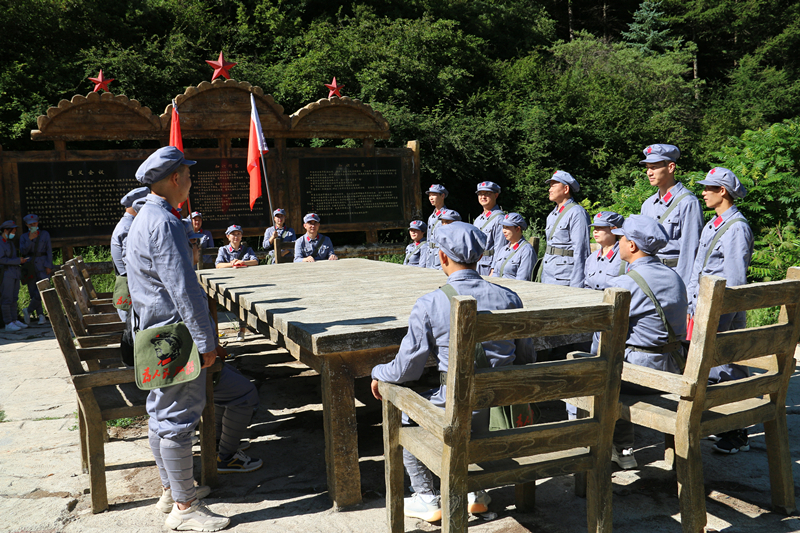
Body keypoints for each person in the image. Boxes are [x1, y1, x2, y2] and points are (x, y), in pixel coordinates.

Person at [126, 146, 261, 531]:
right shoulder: (164, 222)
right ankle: (185, 508)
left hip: (156, 332)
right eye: (187, 173)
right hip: (175, 334)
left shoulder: (149, 216)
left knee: (160, 414)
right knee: (178, 418)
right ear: (173, 179)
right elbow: (183, 287)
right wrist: (205, 342)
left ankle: (172, 491)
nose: (191, 180)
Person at [370, 221, 536, 521]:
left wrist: (378, 372)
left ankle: (426, 497)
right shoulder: (510, 298)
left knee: (406, 410)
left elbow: (407, 370)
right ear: (479, 257)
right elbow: (526, 357)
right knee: (470, 412)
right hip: (503, 408)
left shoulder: (431, 303)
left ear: (443, 257)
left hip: (459, 409)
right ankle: (475, 491)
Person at [606, 215, 688, 469]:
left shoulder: (626, 284)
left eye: (620, 238)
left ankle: (610, 448)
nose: (617, 242)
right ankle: (624, 448)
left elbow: (604, 336)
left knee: (594, 368)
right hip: (675, 369)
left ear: (632, 246)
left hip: (643, 376)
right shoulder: (674, 276)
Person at [686, 167, 754, 455]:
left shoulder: (737, 227)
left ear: (722, 191)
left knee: (729, 367)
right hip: (703, 305)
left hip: (722, 309)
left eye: (708, 188)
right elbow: (698, 267)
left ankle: (738, 430)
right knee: (715, 367)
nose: (703, 193)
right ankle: (723, 423)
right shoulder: (713, 224)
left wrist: (720, 316)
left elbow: (735, 281)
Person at [639, 144, 704, 289]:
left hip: (674, 276)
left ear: (671, 167)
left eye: (654, 167)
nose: (649, 172)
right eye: (647, 168)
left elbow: (691, 250)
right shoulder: (647, 205)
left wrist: (684, 290)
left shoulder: (688, 202)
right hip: (650, 276)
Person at [541, 171, 590, 287]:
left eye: (554, 185)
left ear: (566, 189)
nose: (550, 189)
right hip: (548, 276)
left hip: (565, 278)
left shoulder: (577, 213)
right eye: (550, 186)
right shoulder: (552, 215)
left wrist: (577, 285)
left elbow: (581, 251)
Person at [111, 187, 149, 322]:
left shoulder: (126, 224)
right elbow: (131, 261)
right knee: (134, 327)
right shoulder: (129, 227)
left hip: (129, 284)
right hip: (130, 285)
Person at [216, 225, 258, 342]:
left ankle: (242, 329)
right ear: (228, 236)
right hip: (228, 283)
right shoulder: (223, 250)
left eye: (238, 234)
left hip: (245, 283)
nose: (236, 236)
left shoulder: (247, 250)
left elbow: (255, 261)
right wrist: (232, 264)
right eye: (233, 234)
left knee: (242, 306)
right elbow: (218, 265)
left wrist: (243, 262)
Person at [19, 214, 53, 325]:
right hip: (30, 266)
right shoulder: (24, 237)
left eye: (35, 223)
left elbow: (49, 250)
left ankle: (28, 310)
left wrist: (49, 265)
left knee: (42, 290)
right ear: (27, 225)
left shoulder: (44, 234)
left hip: (43, 265)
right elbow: (23, 251)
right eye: (31, 224)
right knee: (33, 291)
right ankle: (41, 315)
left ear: (37, 223)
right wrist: (29, 239)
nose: (33, 225)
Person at [584, 211, 626, 291]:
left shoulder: (624, 256)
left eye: (600, 228)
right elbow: (587, 286)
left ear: (614, 230)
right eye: (594, 228)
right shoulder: (591, 258)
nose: (595, 231)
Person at [1, 220, 29, 332]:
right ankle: (8, 322)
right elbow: (1, 259)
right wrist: (18, 260)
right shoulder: (0, 242)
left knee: (14, 298)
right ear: (5, 230)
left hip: (14, 273)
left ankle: (14, 320)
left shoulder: (10, 243)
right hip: (6, 273)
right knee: (6, 298)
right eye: (12, 230)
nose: (14, 232)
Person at [490, 212, 535, 280]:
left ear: (517, 229)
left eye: (507, 227)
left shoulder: (527, 251)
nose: (504, 231)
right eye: (503, 227)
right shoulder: (502, 250)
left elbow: (523, 279)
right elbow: (495, 274)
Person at [473, 181, 505, 276]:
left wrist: (494, 270)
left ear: (496, 195)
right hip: (476, 265)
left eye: (487, 194)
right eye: (480, 194)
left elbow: (500, 247)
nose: (483, 197)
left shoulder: (499, 218)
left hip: (488, 267)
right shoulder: (478, 219)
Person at [425, 184, 449, 270]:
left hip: (441, 256)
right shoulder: (431, 217)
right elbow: (428, 239)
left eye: (434, 195)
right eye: (430, 195)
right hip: (430, 257)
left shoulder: (448, 215)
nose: (431, 198)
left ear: (442, 196)